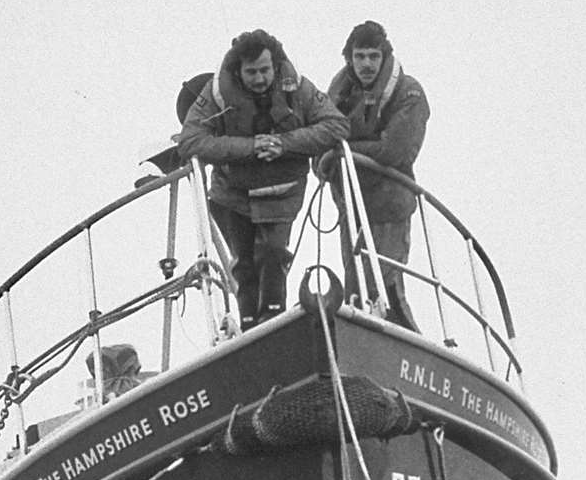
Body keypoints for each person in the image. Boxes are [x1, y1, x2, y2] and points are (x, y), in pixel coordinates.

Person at [178, 30, 348, 331]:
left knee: (273, 252)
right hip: (233, 194)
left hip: (281, 192)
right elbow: (191, 141)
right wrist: (250, 147)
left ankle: (272, 320)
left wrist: (285, 142)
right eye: (251, 72)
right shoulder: (216, 93)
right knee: (244, 264)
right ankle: (249, 328)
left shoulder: (299, 90)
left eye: (265, 70)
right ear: (238, 70)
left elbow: (336, 124)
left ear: (276, 65)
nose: (259, 79)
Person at [319, 20, 430, 330]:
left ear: (384, 57)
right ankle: (356, 339)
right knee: (355, 285)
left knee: (384, 283)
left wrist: (343, 152)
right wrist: (324, 160)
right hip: (351, 206)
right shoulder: (339, 96)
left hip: (390, 206)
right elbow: (320, 137)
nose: (366, 64)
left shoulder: (409, 93)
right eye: (360, 56)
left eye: (373, 56)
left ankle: (404, 341)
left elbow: (397, 149)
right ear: (349, 59)